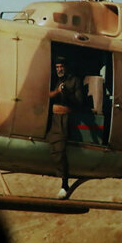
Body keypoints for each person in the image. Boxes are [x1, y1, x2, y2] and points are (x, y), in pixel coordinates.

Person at [47, 56, 85, 198]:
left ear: (66, 67)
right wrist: (57, 92)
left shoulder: (74, 81)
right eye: (57, 67)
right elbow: (47, 95)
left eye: (61, 67)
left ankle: (64, 184)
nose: (59, 69)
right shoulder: (54, 80)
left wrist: (67, 93)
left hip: (63, 119)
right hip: (52, 117)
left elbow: (79, 102)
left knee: (59, 149)